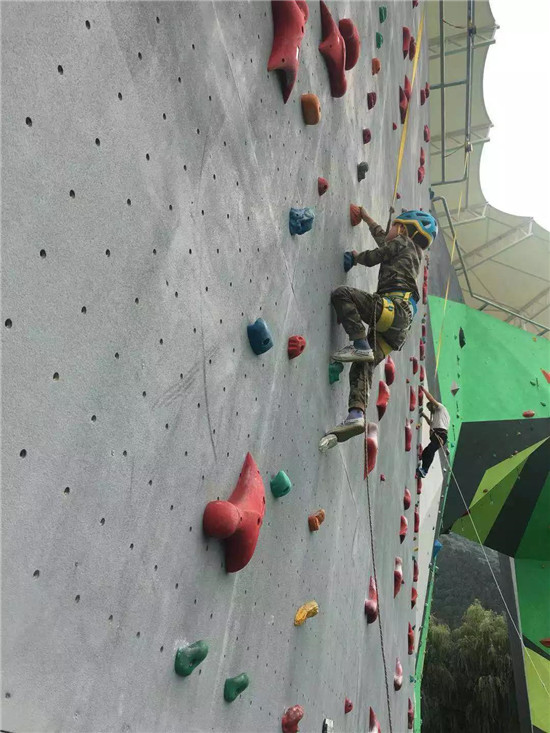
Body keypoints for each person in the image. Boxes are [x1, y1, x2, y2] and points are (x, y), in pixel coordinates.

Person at [319, 207, 438, 451]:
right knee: (362, 366)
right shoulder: (411, 251)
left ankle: (360, 343)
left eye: (394, 225)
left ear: (403, 229)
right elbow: (383, 239)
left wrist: (356, 257)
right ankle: (356, 415)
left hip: (393, 308)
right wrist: (365, 217)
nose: (389, 229)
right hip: (398, 329)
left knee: (343, 295)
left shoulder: (402, 242)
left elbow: (377, 255)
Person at [416, 386, 450, 477]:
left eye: (429, 408)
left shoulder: (441, 408)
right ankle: (423, 469)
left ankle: (425, 470)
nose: (429, 410)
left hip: (441, 434)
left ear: (433, 405)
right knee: (426, 452)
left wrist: (424, 390)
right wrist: (424, 416)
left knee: (431, 450)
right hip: (438, 434)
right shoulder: (437, 416)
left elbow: (431, 398)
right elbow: (431, 424)